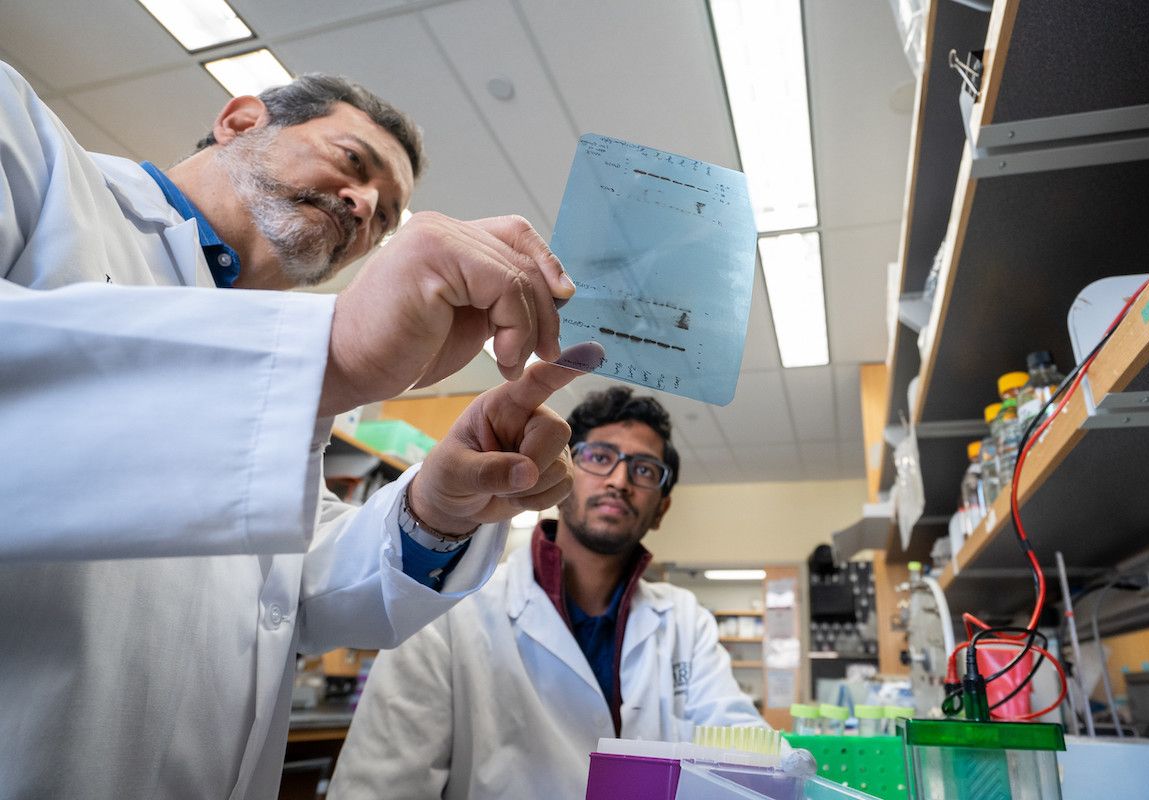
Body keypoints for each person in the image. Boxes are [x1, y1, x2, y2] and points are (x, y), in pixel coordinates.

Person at [0, 61, 590, 799]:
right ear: (241, 120)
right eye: (353, 162)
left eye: (385, 216)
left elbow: (295, 593)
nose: (365, 206)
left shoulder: (288, 387)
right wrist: (332, 356)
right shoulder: (26, 145)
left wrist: (435, 511)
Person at [328, 386, 769, 800]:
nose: (619, 480)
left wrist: (780, 766)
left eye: (644, 469)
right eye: (599, 457)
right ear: (561, 480)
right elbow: (379, 786)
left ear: (661, 509)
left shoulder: (685, 621)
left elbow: (742, 747)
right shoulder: (449, 605)